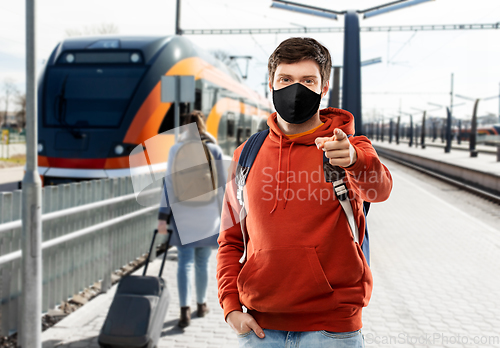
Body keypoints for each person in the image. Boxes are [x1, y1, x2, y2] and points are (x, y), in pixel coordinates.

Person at [216, 37, 393, 347]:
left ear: (324, 87)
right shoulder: (246, 155)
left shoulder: (349, 148)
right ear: (270, 83)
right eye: (285, 79)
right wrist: (230, 306)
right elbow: (230, 239)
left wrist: (353, 160)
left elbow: (380, 189)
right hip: (260, 330)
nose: (295, 89)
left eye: (308, 80)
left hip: (332, 331)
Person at [157, 110, 226, 328]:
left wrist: (162, 216)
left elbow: (168, 185)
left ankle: (184, 310)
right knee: (203, 263)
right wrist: (226, 217)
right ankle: (202, 304)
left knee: (184, 263)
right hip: (208, 214)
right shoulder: (214, 149)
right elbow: (223, 186)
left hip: (182, 213)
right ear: (204, 126)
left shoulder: (175, 150)